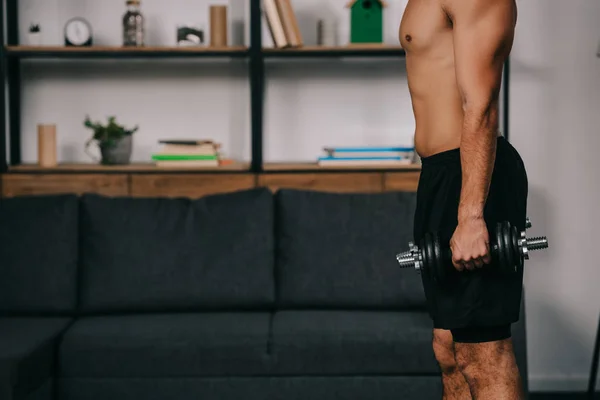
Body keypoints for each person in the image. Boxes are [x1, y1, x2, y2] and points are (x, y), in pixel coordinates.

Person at [400, 0, 527, 399]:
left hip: (472, 173)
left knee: (483, 354)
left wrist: (472, 216)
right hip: (439, 174)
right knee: (449, 349)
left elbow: (482, 104)